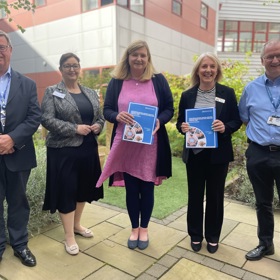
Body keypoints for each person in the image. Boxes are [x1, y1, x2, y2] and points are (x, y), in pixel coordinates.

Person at [96, 40, 174, 250]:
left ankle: (144, 229)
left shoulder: (158, 80)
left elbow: (169, 108)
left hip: (151, 144)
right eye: (135, 55)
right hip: (126, 144)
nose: (139, 59)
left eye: (143, 55)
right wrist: (117, 115)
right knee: (131, 190)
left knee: (147, 188)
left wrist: (160, 120)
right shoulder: (117, 81)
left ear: (148, 58)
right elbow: (107, 110)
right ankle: (133, 228)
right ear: (128, 57)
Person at [176, 52, 242, 254]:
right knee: (195, 196)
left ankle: (213, 236)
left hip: (218, 155)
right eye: (204, 66)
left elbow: (236, 120)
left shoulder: (227, 93)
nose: (208, 70)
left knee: (215, 197)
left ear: (217, 70)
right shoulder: (188, 95)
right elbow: (180, 122)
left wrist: (225, 127)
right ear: (198, 70)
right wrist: (183, 127)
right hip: (195, 154)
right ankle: (195, 235)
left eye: (212, 66)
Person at [41, 53, 105, 255]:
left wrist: (98, 126)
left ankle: (77, 226)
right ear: (60, 69)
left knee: (83, 189)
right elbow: (46, 119)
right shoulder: (52, 92)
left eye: (75, 65)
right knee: (67, 191)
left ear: (80, 68)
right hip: (63, 151)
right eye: (67, 66)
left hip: (87, 149)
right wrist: (74, 128)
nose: (72, 69)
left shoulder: (90, 93)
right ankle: (68, 236)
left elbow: (101, 117)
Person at [0, 30, 41, 266]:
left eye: (2, 47)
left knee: (18, 202)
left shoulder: (27, 84)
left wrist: (12, 139)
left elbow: (34, 116)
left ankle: (20, 245)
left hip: (19, 153)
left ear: (10, 50)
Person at [239, 39, 280, 261]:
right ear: (262, 60)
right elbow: (245, 118)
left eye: (279, 55)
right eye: (270, 56)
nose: (275, 60)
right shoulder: (251, 88)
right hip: (259, 153)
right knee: (262, 203)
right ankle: (266, 245)